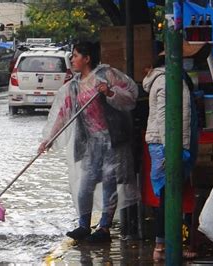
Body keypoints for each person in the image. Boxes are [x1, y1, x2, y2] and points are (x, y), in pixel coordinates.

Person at [38, 41, 140, 243]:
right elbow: (63, 115)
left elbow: (130, 97)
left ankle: (104, 228)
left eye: (75, 55)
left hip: (111, 140)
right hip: (90, 143)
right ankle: (84, 225)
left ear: (87, 58)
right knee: (85, 185)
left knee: (109, 183)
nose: (72, 59)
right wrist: (49, 139)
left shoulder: (106, 75)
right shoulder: (74, 87)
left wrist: (110, 92)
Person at [143, 41, 202, 261]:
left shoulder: (171, 78)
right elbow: (165, 118)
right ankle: (161, 246)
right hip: (168, 145)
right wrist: (172, 151)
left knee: (170, 194)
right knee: (168, 195)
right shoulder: (168, 80)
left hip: (171, 144)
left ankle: (165, 244)